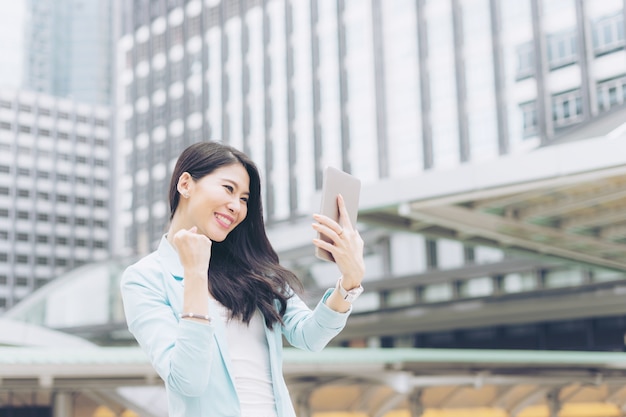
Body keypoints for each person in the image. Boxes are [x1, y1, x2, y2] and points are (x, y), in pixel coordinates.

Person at [120, 141, 365, 417]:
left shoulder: (254, 269)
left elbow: (311, 337)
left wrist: (349, 281)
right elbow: (188, 380)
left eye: (245, 199)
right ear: (186, 184)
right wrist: (196, 273)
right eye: (229, 189)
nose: (236, 206)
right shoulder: (143, 279)